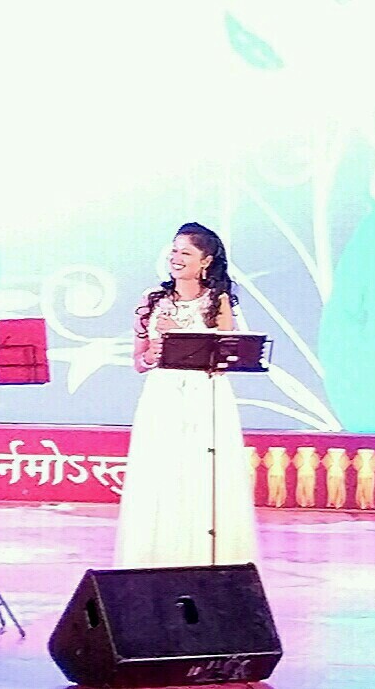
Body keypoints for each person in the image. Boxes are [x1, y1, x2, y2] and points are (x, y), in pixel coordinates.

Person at [114, 222, 258, 568]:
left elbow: (225, 360)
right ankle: (154, 560)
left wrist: (186, 338)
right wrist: (155, 352)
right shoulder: (152, 299)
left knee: (200, 476)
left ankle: (206, 563)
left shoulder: (217, 301)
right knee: (160, 474)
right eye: (174, 251)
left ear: (205, 261)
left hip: (204, 397)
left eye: (186, 253)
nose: (176, 258)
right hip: (161, 397)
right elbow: (139, 362)